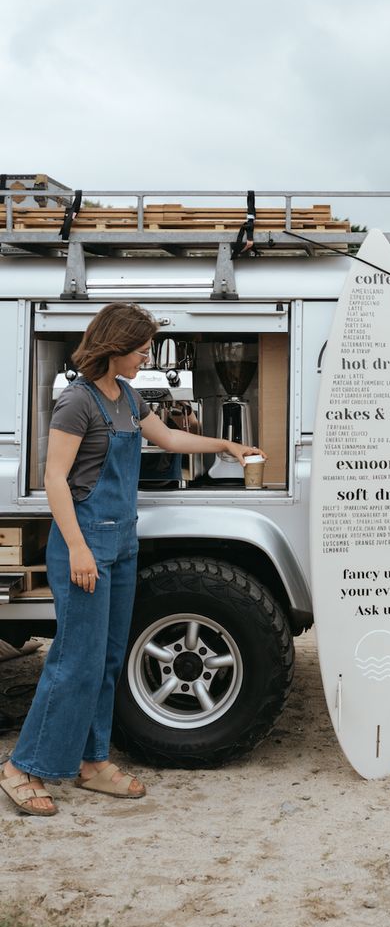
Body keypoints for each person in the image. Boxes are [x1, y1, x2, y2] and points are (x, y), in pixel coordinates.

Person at [0, 303, 265, 816]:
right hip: (85, 544)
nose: (146, 353)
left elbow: (167, 438)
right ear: (115, 345)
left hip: (121, 541)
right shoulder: (77, 402)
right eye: (141, 346)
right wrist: (77, 547)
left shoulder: (126, 396)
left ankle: (91, 761)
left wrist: (225, 445)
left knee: (107, 659)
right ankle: (21, 766)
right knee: (73, 661)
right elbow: (56, 478)